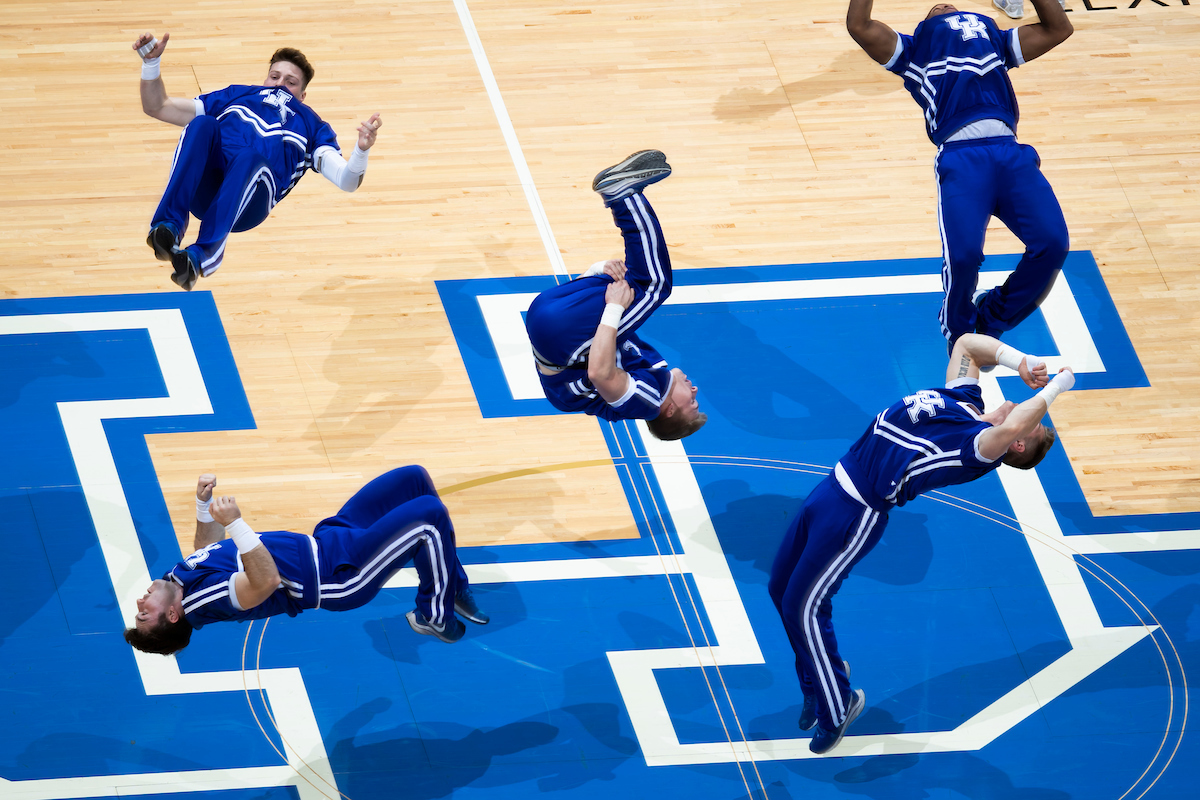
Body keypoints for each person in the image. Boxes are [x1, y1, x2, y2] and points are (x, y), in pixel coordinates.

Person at [768, 333, 1075, 753]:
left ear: (1016, 442)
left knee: (803, 606)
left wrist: (1057, 387)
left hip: (854, 513)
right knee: (780, 588)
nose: (1018, 407)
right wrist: (1019, 361)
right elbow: (967, 345)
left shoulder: (977, 450)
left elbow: (1021, 418)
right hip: (833, 485)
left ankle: (838, 706)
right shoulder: (964, 400)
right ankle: (819, 680)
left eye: (1029, 422)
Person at [845, 1, 1073, 349]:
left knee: (1054, 244)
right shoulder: (913, 50)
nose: (944, 4)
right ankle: (959, 334)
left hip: (1011, 153)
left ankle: (993, 315)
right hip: (962, 159)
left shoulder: (994, 40)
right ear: (925, 25)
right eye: (936, 8)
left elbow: (1059, 28)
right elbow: (860, 25)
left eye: (949, 4)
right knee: (963, 256)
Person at [126, 466, 488, 656]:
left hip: (328, 540)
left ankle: (451, 587)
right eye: (145, 613)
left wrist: (204, 508)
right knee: (428, 517)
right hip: (340, 576)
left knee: (412, 480)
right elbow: (263, 582)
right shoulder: (205, 601)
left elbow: (205, 553)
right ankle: (436, 616)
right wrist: (236, 523)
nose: (140, 602)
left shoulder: (179, 582)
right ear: (172, 616)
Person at [131, 32, 382, 290]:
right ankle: (167, 227)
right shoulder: (237, 95)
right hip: (207, 188)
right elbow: (158, 106)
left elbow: (348, 181)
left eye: (291, 82)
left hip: (251, 200)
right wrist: (151, 64)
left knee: (249, 157)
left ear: (303, 95)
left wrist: (361, 151)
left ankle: (203, 256)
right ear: (266, 79)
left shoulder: (312, 125)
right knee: (202, 124)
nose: (280, 84)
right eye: (275, 77)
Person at [524, 150, 706, 441]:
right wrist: (594, 273)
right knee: (629, 285)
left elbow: (599, 372)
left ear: (670, 411)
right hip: (548, 315)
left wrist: (612, 308)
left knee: (653, 286)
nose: (695, 391)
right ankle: (624, 196)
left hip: (560, 339)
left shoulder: (646, 403)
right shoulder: (647, 374)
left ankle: (621, 194)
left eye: (693, 404)